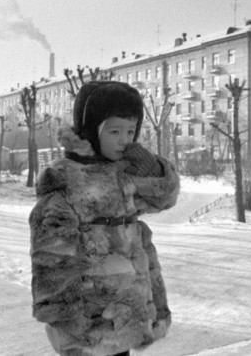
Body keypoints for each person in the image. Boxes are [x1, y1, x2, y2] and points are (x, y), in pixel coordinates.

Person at [29, 81, 180, 356]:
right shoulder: (66, 179)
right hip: (88, 320)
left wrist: (152, 169)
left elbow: (165, 199)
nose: (125, 139)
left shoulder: (124, 173)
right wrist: (67, 318)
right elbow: (52, 256)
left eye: (131, 131)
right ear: (90, 131)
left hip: (125, 314)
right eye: (114, 131)